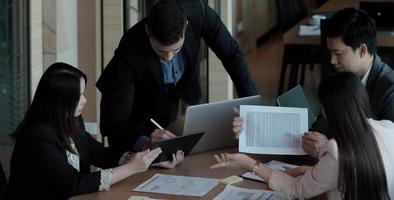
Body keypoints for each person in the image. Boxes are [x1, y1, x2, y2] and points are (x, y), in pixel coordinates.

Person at [96, 0, 258, 153]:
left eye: (176, 50)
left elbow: (232, 55)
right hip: (135, 113)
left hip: (173, 97)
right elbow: (115, 123)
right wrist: (144, 142)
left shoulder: (198, 12)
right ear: (148, 31)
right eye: (161, 51)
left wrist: (251, 107)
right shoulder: (130, 50)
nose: (169, 58)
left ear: (186, 26)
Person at [6, 63, 183, 200]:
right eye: (78, 96)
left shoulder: (71, 119)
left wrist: (147, 158)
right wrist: (130, 168)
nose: (84, 101)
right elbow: (73, 184)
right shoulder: (38, 137)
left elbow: (97, 153)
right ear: (60, 102)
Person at [211, 72, 394, 199]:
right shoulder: (388, 129)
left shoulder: (336, 151)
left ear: (329, 112)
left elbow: (294, 190)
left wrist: (249, 163)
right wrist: (305, 171)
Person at [303, 7, 394, 158]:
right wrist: (312, 140)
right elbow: (322, 127)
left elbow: (386, 152)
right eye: (330, 53)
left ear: (362, 50)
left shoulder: (389, 89)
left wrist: (330, 149)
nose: (332, 61)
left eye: (338, 53)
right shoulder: (341, 78)